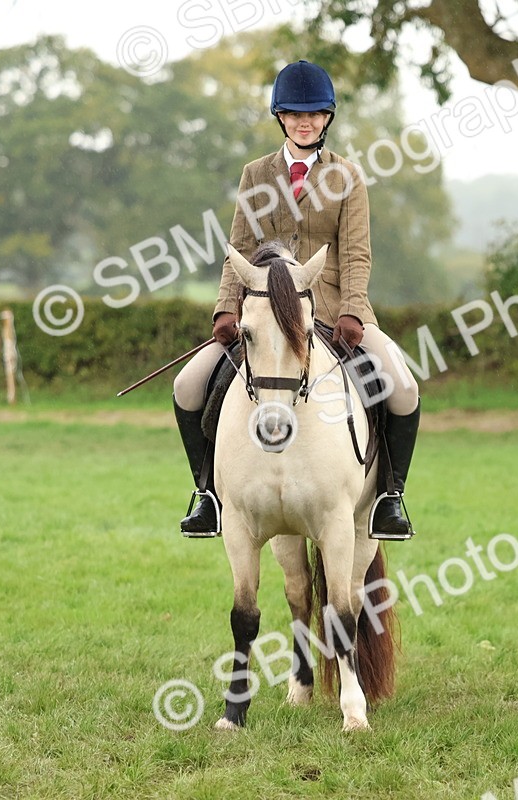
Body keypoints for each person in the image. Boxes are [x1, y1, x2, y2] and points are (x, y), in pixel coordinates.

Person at [172, 60, 421, 539]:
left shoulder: (347, 176)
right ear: (280, 117)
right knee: (187, 386)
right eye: (294, 114)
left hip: (333, 312)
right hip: (265, 315)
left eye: (313, 114)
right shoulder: (255, 174)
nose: (304, 122)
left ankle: (389, 498)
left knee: (404, 389)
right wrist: (226, 308)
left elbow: (356, 253)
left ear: (327, 118)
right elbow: (239, 247)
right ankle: (208, 495)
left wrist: (353, 310)